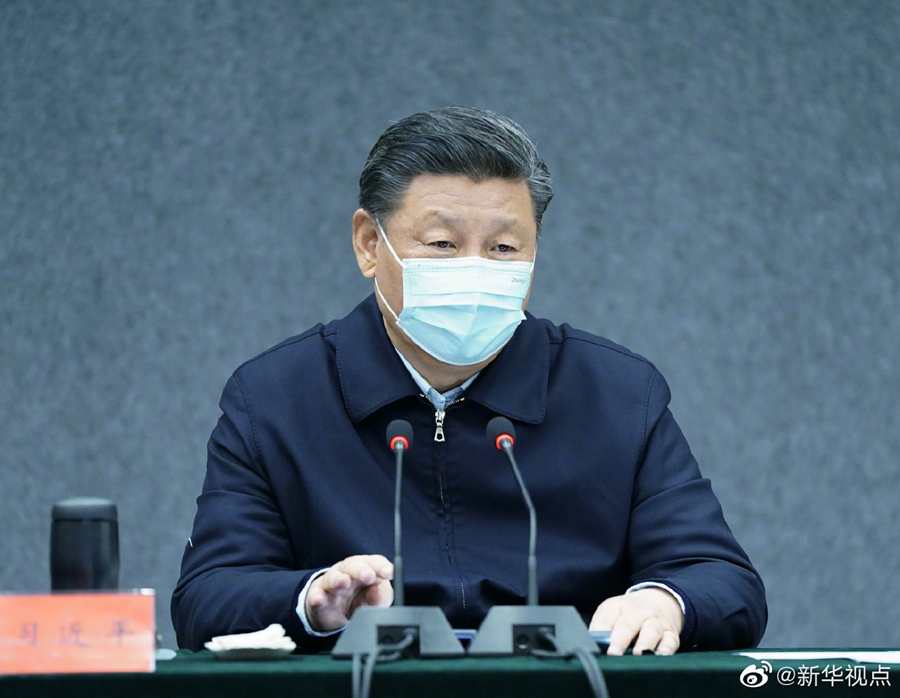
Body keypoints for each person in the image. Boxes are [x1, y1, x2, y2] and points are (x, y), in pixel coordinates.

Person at [171, 106, 767, 655]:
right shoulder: (275, 398)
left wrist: (665, 602)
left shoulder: (617, 394)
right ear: (370, 245)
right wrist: (310, 602)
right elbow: (207, 597)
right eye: (442, 244)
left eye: (504, 247)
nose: (475, 270)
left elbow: (723, 579)